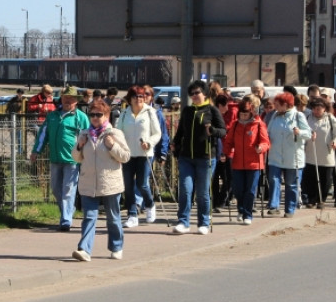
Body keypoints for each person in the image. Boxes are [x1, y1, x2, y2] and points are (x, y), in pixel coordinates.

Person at [70, 99, 131, 261]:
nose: (95, 118)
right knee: (89, 217)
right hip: (88, 182)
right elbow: (75, 157)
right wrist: (79, 146)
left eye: (99, 115)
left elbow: (125, 156)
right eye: (92, 115)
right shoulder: (84, 134)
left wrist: (112, 146)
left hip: (110, 183)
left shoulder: (115, 134)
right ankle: (84, 250)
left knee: (113, 217)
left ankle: (116, 246)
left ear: (107, 116)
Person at [170, 79, 227, 234]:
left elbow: (223, 131)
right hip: (186, 157)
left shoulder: (212, 110)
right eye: (192, 93)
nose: (194, 96)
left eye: (197, 93)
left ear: (205, 94)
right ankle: (183, 222)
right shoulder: (187, 111)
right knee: (185, 189)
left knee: (202, 192)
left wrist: (213, 131)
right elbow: (181, 131)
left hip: (206, 157)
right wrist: (175, 143)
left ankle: (204, 222)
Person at [31, 86, 90, 231]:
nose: (67, 101)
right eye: (65, 98)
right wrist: (36, 151)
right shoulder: (52, 116)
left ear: (76, 101)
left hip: (72, 160)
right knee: (56, 189)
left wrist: (87, 157)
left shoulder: (81, 118)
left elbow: (88, 137)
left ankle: (65, 220)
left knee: (68, 190)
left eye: (71, 98)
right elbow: (43, 135)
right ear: (61, 99)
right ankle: (68, 210)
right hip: (55, 159)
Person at [116, 85, 162, 227]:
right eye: (135, 96)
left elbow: (157, 133)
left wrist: (149, 143)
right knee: (128, 186)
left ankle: (150, 204)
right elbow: (118, 133)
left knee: (142, 184)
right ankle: (132, 215)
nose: (139, 99)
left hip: (144, 154)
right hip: (128, 155)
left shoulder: (150, 113)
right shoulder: (124, 114)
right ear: (130, 99)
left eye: (141, 96)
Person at [223, 96, 270, 225]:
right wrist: (225, 153)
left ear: (251, 113)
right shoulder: (236, 124)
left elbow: (266, 142)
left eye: (246, 114)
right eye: (242, 114)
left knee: (250, 190)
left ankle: (247, 214)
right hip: (238, 162)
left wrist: (261, 148)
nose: (243, 116)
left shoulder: (259, 124)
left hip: (254, 163)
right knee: (238, 189)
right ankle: (241, 209)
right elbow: (229, 142)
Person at [264, 92, 312, 218]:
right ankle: (274, 206)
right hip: (275, 155)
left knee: (291, 184)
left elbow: (309, 134)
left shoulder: (298, 116)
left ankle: (290, 208)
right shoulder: (274, 116)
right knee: (274, 180)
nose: (274, 106)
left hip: (293, 157)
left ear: (285, 105)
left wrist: (299, 132)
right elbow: (268, 131)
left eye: (277, 104)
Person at [302, 97, 336, 208]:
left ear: (324, 108)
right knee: (311, 179)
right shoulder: (307, 118)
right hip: (311, 154)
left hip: (326, 155)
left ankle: (321, 199)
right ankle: (311, 199)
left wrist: (335, 142)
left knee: (325, 179)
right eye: (314, 108)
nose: (317, 111)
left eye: (319, 108)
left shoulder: (330, 119)